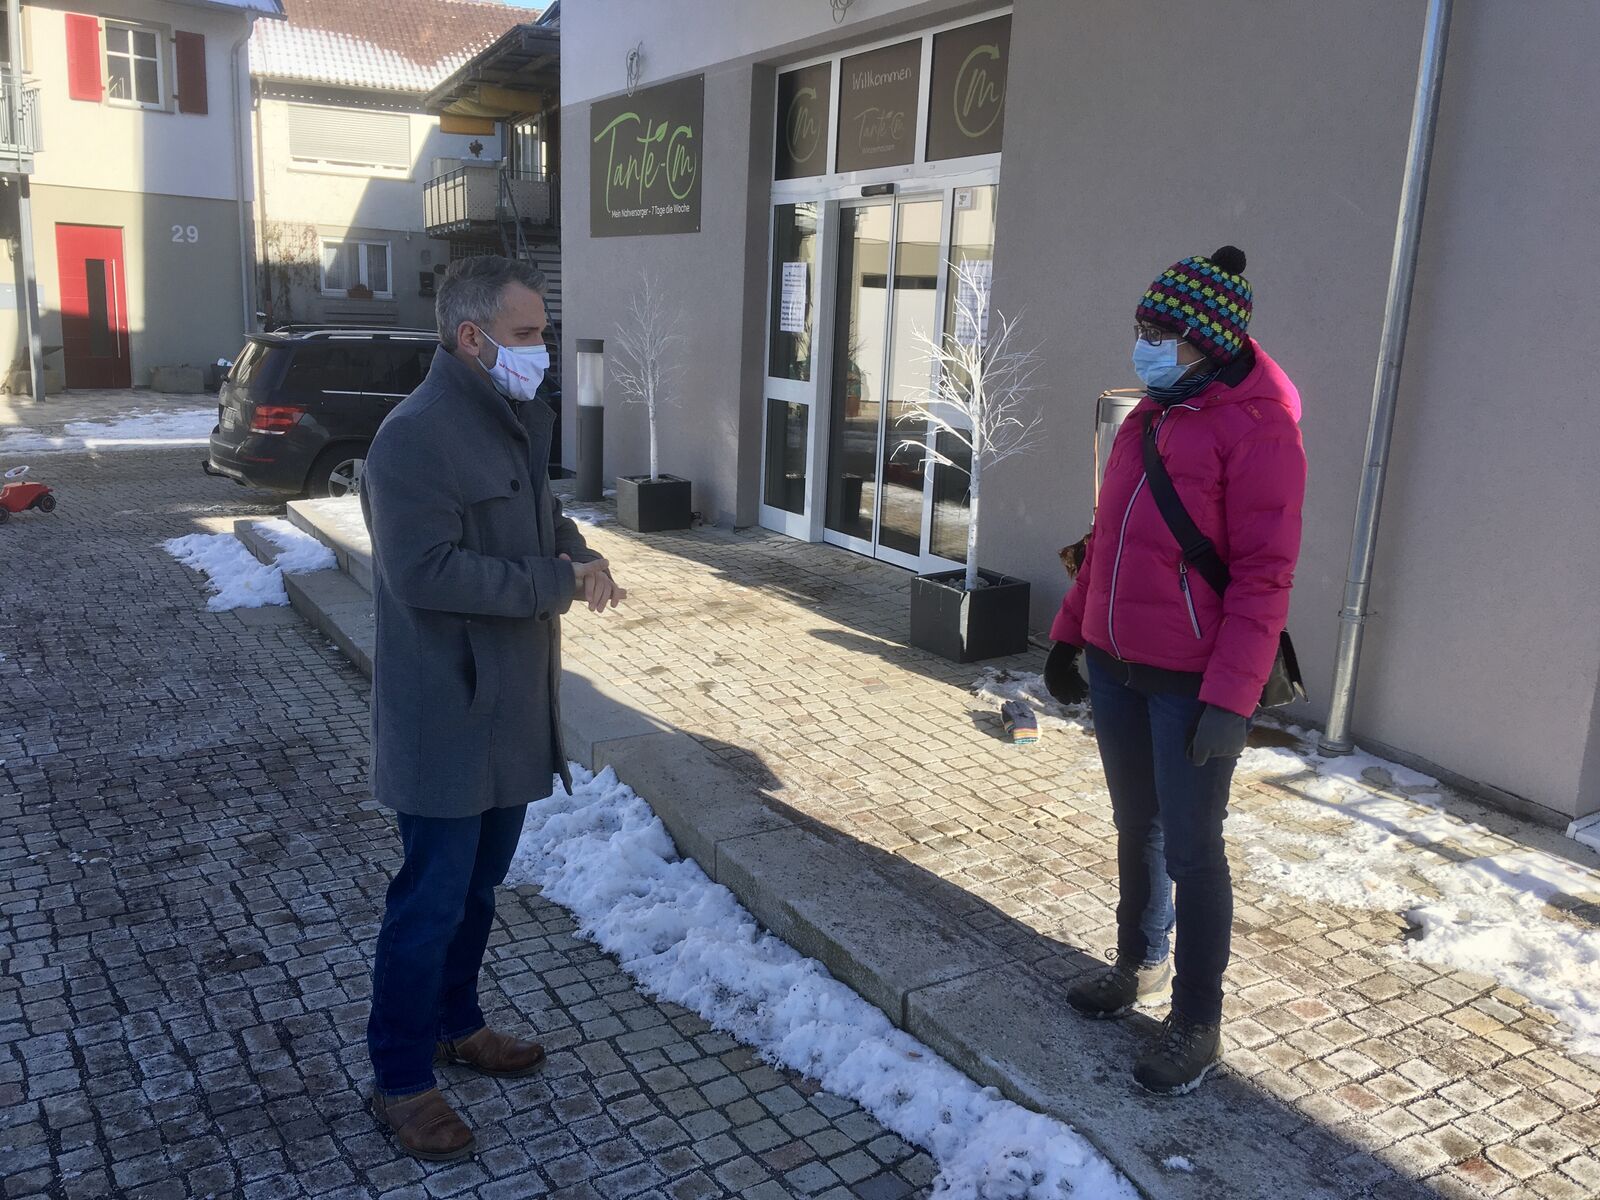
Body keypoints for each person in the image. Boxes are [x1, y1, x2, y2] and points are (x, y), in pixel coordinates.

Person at [359, 255, 626, 1159]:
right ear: (472, 338)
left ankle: (457, 1024)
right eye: (525, 334)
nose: (540, 350)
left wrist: (579, 556)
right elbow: (423, 574)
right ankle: (400, 1078)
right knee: (428, 900)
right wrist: (552, 580)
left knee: (478, 889)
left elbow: (541, 523)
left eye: (541, 332)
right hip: (446, 713)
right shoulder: (415, 436)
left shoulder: (509, 419)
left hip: (511, 709)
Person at [1045, 246, 1306, 1095]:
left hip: (1194, 682)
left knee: (1194, 851)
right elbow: (1108, 537)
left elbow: (1266, 576)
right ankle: (1138, 963)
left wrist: (1231, 701)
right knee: (1138, 827)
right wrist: (1069, 633)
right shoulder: (1150, 417)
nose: (1144, 345)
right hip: (1119, 667)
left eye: (1161, 332)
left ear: (1208, 339)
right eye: (1141, 329)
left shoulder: (1260, 429)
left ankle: (1198, 1020)